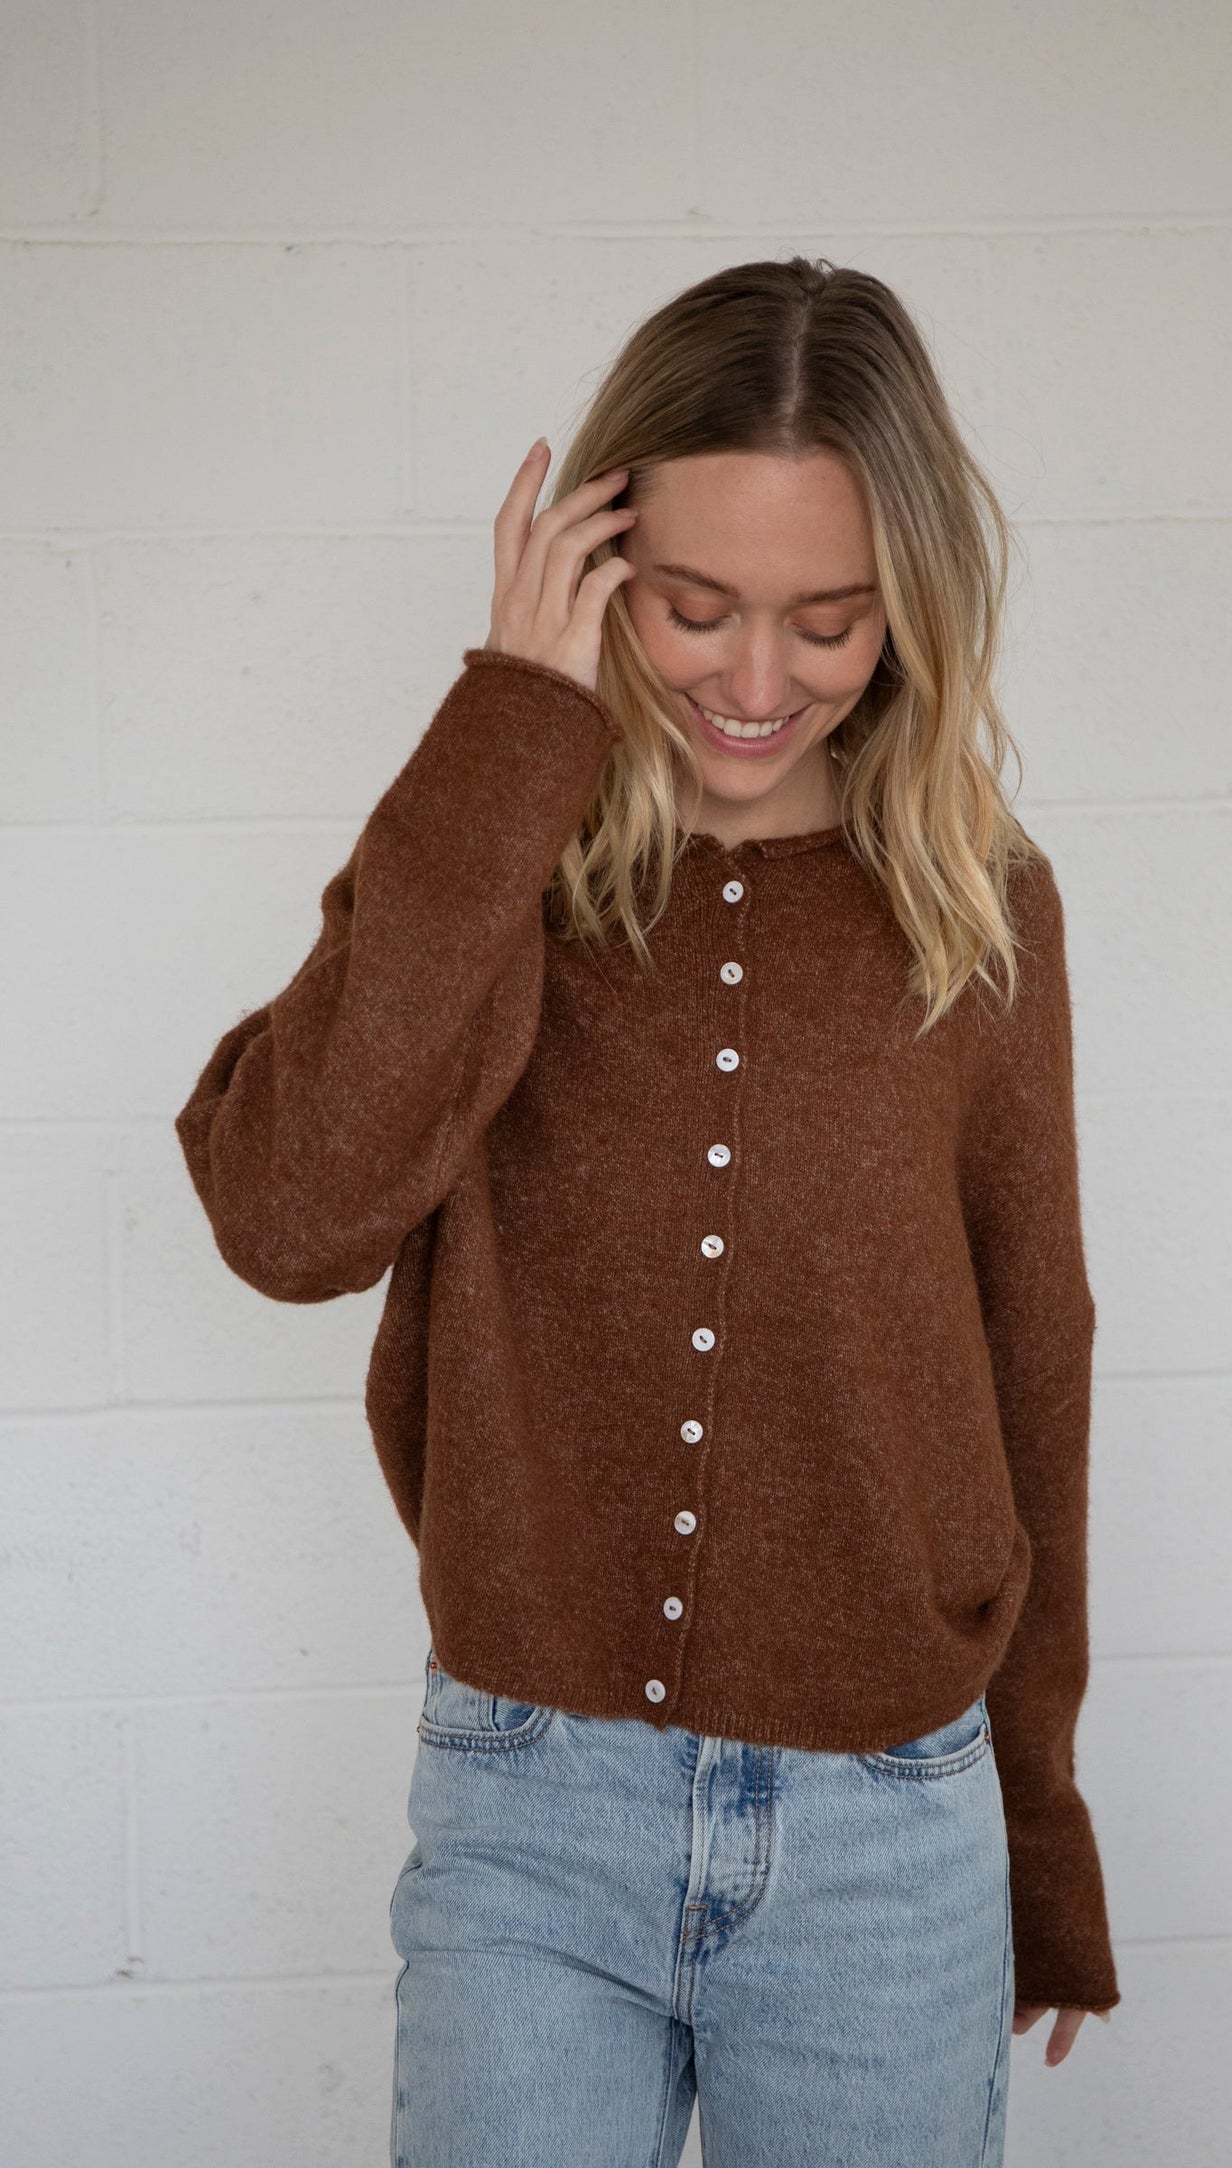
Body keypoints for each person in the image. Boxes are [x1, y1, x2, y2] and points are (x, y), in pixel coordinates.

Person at [176, 255, 1119, 2167]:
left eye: (830, 623)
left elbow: (1036, 1358)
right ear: (594, 563)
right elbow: (287, 1219)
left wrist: (1039, 1830)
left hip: (888, 1839)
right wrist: (511, 719)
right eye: (693, 609)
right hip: (531, 1815)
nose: (755, 683)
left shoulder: (981, 913)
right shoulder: (490, 867)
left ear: (911, 614)